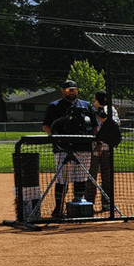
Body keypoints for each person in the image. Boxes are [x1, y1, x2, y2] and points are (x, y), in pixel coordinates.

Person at [41, 80, 98, 219]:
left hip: (83, 147)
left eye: (74, 89)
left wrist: (93, 140)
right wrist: (57, 139)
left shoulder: (86, 106)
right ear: (62, 90)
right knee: (62, 179)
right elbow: (46, 126)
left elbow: (95, 126)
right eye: (68, 89)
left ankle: (78, 206)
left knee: (81, 178)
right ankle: (58, 208)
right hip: (63, 148)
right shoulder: (55, 106)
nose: (71, 92)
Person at [90, 90, 121, 212]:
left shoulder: (111, 109)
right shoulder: (90, 109)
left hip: (107, 148)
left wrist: (105, 120)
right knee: (91, 177)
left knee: (107, 177)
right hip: (92, 148)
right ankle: (89, 203)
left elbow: (116, 124)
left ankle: (107, 203)